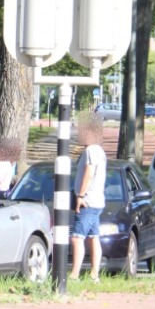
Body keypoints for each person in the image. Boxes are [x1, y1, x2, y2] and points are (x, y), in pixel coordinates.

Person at [71, 112, 107, 283]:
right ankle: (94, 274)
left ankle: (74, 275)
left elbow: (89, 172)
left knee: (77, 237)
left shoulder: (92, 149)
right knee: (93, 238)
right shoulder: (98, 150)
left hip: (88, 201)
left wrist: (80, 195)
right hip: (96, 201)